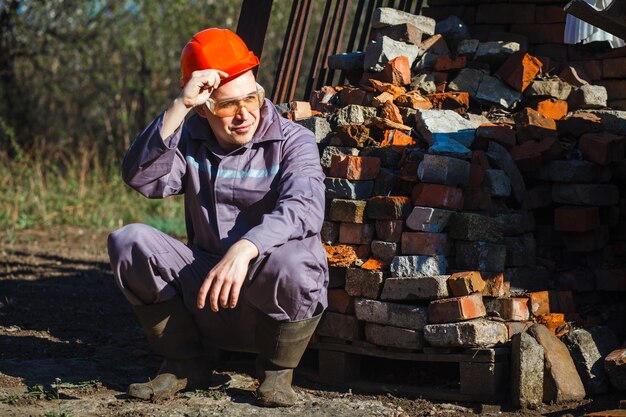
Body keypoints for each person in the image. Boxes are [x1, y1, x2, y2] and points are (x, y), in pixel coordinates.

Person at [107, 27, 329, 408]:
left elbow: (304, 206)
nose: (244, 114)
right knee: (129, 241)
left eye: (252, 98)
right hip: (204, 289)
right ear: (204, 108)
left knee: (299, 259)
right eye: (227, 105)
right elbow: (140, 177)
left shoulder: (294, 140)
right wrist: (178, 107)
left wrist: (246, 248)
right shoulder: (190, 139)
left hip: (267, 292)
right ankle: (184, 363)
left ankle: (276, 373)